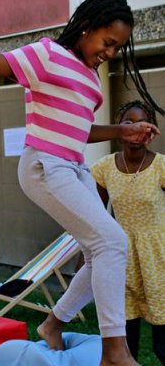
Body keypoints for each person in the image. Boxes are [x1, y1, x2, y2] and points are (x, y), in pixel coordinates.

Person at [0, 0, 163, 366]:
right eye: (108, 41)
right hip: (44, 165)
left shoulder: (91, 80)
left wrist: (122, 132)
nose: (110, 52)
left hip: (74, 167)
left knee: (101, 253)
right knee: (114, 242)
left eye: (118, 47)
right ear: (86, 26)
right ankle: (115, 351)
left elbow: (79, 130)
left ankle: (53, 324)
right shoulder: (47, 55)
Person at [90, 101, 164, 364]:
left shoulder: (161, 166)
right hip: (120, 259)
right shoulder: (103, 168)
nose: (134, 129)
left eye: (141, 122)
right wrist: (86, 258)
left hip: (158, 259)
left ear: (150, 129)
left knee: (163, 345)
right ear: (119, 127)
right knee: (125, 343)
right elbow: (93, 218)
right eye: (128, 122)